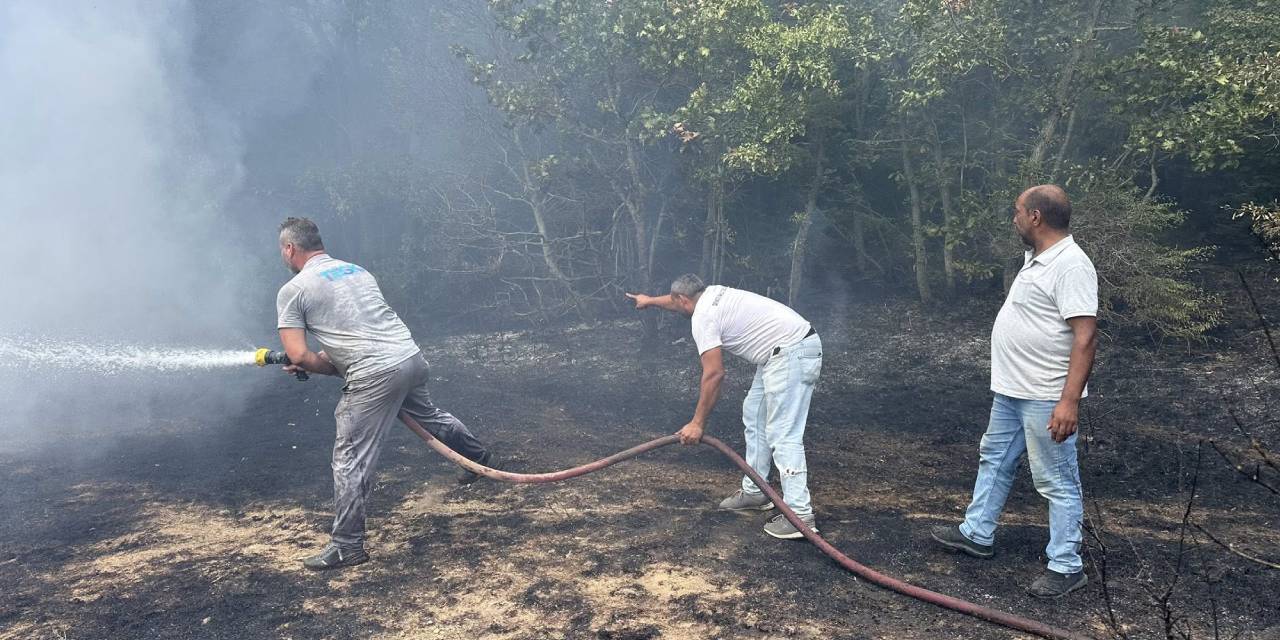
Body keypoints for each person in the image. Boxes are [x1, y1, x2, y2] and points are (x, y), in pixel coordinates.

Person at [274, 217, 494, 570]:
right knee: (429, 416)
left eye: (281, 250)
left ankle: (347, 546)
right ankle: (479, 459)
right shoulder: (356, 272)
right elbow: (360, 332)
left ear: (289, 248)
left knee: (351, 457)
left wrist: (317, 364)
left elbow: (299, 355)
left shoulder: (294, 289)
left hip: (375, 373)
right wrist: (325, 360)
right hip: (409, 357)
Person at [930, 185, 1098, 598]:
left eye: (1018, 211)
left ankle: (1066, 565)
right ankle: (977, 533)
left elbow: (1086, 337)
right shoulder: (1037, 259)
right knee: (995, 458)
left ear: (1036, 216)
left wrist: (1068, 402)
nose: (1015, 219)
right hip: (1012, 390)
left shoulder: (1071, 265)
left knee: (1057, 479)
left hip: (1045, 394)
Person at [627, 274, 822, 539]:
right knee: (754, 414)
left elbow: (714, 373)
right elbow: (677, 301)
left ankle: (800, 516)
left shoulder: (703, 317)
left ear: (683, 299)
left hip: (792, 352)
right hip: (783, 351)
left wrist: (697, 423)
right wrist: (649, 300)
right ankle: (756, 491)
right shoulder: (710, 293)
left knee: (783, 433)